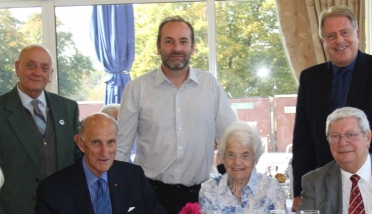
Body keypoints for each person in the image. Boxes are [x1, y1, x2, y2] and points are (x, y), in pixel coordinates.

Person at [116, 16, 237, 213]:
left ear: (192, 47)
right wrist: (119, 192)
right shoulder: (137, 89)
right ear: (158, 47)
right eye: (169, 41)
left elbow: (230, 140)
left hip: (199, 195)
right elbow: (121, 148)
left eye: (183, 41)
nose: (177, 48)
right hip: (150, 195)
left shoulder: (210, 86)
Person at [291, 5, 372, 211]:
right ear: (323, 42)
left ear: (357, 33)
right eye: (331, 35)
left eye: (344, 32)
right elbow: (303, 140)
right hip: (323, 187)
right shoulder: (310, 79)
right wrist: (299, 191)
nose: (339, 40)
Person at [0, 44, 81, 214]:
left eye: (44, 68)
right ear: (17, 67)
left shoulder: (68, 108)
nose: (37, 72)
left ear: (50, 75)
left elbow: (77, 157)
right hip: (15, 208)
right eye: (31, 65)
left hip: (64, 207)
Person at [35, 113, 167, 214]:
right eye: (96, 143)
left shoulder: (134, 177)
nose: (104, 153)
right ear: (80, 143)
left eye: (110, 142)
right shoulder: (52, 190)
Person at [298, 107, 372, 213]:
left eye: (350, 135)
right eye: (335, 136)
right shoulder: (314, 182)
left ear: (368, 137)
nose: (342, 142)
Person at [199, 122, 287, 213]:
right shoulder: (209, 191)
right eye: (231, 155)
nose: (237, 162)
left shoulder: (271, 188)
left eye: (245, 155)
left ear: (256, 159)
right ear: (223, 157)